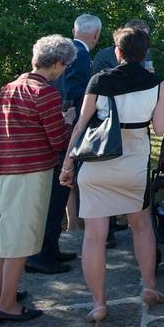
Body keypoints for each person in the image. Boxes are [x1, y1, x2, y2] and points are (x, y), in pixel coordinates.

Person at [59, 27, 164, 323]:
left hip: (98, 160)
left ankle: (98, 303)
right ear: (144, 53)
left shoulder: (99, 80)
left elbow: (80, 126)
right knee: (142, 227)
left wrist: (68, 165)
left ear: (117, 52)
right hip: (133, 163)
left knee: (95, 236)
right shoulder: (157, 83)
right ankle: (149, 287)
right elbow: (159, 129)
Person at [0, 35, 77, 322]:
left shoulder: (8, 88)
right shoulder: (45, 93)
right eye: (64, 65)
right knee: (19, 241)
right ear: (57, 64)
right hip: (30, 172)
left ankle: (4, 292)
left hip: (6, 169)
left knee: (5, 238)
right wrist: (68, 120)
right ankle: (7, 304)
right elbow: (57, 140)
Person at [28, 13, 102, 275]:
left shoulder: (70, 51)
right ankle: (42, 253)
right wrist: (73, 115)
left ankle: (50, 249)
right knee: (57, 193)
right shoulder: (79, 54)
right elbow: (73, 92)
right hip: (62, 130)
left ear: (74, 29)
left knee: (57, 196)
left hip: (51, 129)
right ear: (96, 35)